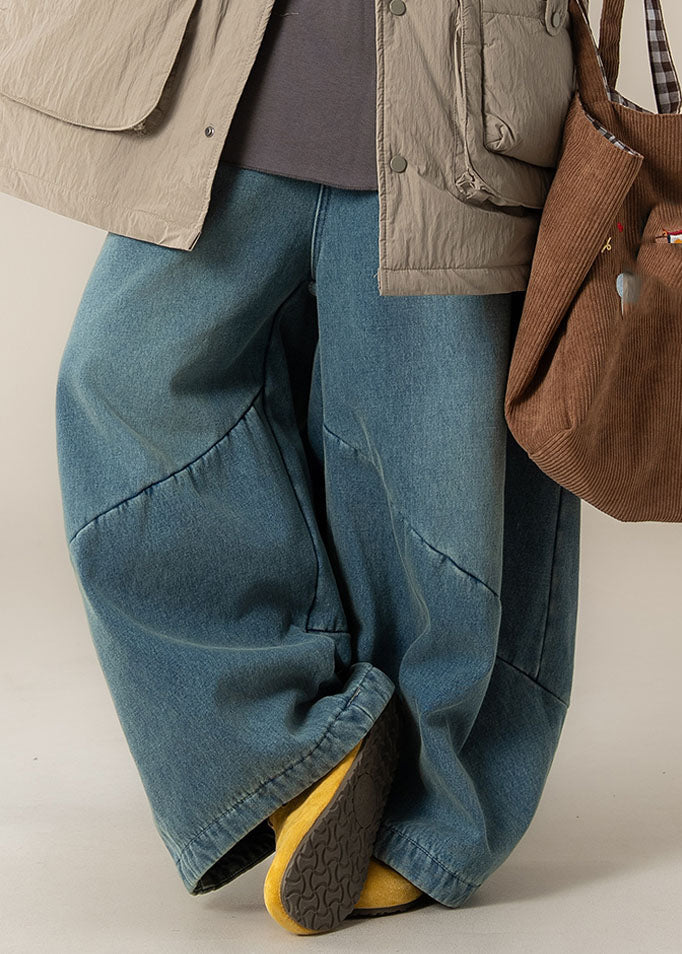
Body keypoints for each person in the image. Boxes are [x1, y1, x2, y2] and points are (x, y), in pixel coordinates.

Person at [3, 0, 581, 937]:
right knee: (123, 384)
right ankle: (297, 743)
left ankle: (425, 813)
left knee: (433, 494)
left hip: (454, 111)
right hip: (228, 96)